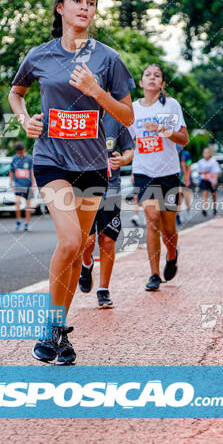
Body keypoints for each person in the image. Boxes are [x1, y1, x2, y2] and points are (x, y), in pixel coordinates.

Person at [8, 0, 135, 364]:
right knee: (68, 242)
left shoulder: (108, 59)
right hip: (51, 162)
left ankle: (59, 334)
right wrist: (25, 119)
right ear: (60, 8)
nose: (84, 7)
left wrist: (98, 92)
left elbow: (128, 116)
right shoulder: (40, 56)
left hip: (94, 168)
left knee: (79, 246)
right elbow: (17, 92)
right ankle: (51, 324)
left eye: (91, 2)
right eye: (76, 0)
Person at [129, 64, 189, 292]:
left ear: (162, 84)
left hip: (169, 174)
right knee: (152, 220)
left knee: (168, 229)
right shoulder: (132, 110)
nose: (152, 78)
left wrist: (162, 130)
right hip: (144, 173)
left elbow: (184, 139)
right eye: (147, 75)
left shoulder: (171, 105)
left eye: (157, 76)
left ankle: (172, 254)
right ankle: (154, 274)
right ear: (141, 83)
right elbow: (128, 141)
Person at [79, 114, 134, 308]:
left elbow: (129, 149)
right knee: (87, 241)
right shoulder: (78, 113)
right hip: (84, 188)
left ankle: (103, 290)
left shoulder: (115, 118)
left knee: (107, 239)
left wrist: (123, 159)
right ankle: (86, 265)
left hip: (110, 188)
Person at [9, 142, 36, 232]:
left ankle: (27, 223)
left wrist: (33, 183)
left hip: (27, 184)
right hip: (18, 184)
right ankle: (19, 220)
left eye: (21, 152)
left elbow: (32, 171)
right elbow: (11, 171)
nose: (20, 154)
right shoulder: (14, 158)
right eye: (18, 152)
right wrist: (11, 183)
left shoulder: (29, 158)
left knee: (28, 204)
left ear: (24, 149)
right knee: (17, 201)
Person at [197, 148, 220, 217]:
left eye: (207, 153)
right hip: (204, 179)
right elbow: (199, 172)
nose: (206, 154)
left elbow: (216, 172)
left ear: (209, 154)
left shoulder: (213, 162)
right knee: (205, 194)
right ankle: (205, 208)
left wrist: (215, 180)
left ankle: (215, 207)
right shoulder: (200, 162)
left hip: (212, 180)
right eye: (204, 153)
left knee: (213, 194)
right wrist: (204, 172)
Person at [176, 144, 192, 225]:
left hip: (184, 176)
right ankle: (179, 214)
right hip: (176, 176)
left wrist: (187, 178)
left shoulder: (186, 154)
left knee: (186, 196)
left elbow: (188, 167)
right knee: (178, 195)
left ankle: (188, 210)